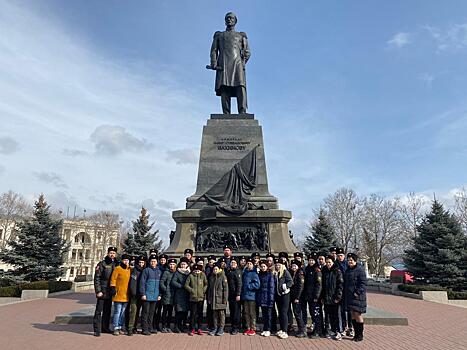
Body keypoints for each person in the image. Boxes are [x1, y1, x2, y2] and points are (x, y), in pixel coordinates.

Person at [209, 12, 250, 114]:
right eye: (227, 18)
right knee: (225, 87)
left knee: (240, 86)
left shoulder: (241, 35)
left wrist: (244, 59)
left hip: (237, 64)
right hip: (223, 64)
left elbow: (247, 51)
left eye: (231, 18)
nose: (229, 19)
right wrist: (213, 62)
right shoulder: (219, 35)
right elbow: (214, 50)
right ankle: (226, 113)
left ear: (235, 21)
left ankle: (242, 111)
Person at [93, 246, 117, 336]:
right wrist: (98, 291)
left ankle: (105, 328)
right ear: (108, 253)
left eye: (114, 253)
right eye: (111, 253)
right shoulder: (102, 264)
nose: (112, 255)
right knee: (99, 311)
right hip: (102, 291)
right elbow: (97, 278)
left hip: (110, 292)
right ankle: (96, 329)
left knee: (107, 311)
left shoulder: (116, 264)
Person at [344, 253, 367, 342]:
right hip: (349, 296)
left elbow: (363, 283)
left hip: (357, 296)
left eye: (351, 260)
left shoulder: (360, 270)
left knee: (357, 314)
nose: (350, 262)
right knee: (352, 315)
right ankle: (356, 334)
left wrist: (357, 292)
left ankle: (360, 334)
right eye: (348, 260)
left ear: (355, 261)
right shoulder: (348, 270)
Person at [321, 255, 344, 341]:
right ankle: (327, 330)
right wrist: (322, 297)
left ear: (333, 262)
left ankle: (338, 331)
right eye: (327, 262)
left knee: (336, 316)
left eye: (329, 262)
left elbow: (340, 285)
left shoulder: (337, 271)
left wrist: (338, 296)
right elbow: (323, 285)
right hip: (326, 297)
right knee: (327, 315)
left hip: (335, 298)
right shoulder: (325, 271)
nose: (328, 264)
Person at [139, 255, 162, 336]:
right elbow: (142, 283)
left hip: (155, 296)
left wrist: (159, 294)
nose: (153, 263)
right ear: (149, 262)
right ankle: (144, 329)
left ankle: (150, 327)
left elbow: (160, 285)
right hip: (147, 295)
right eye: (152, 261)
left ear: (157, 262)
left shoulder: (159, 271)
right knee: (145, 312)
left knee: (152, 313)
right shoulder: (146, 270)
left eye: (154, 261)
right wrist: (143, 294)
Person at [302, 253, 323, 338]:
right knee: (312, 313)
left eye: (312, 260)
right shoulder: (307, 269)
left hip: (315, 297)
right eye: (309, 260)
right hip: (309, 296)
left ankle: (318, 331)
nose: (311, 262)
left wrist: (316, 296)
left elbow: (319, 284)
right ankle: (315, 330)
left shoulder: (317, 270)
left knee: (316, 314)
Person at [110, 253, 131, 336]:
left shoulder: (129, 269)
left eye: (127, 260)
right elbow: (113, 279)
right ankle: (116, 327)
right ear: (122, 260)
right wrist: (113, 288)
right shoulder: (117, 269)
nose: (126, 262)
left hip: (126, 294)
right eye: (124, 260)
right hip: (118, 294)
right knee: (117, 311)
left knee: (123, 312)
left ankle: (120, 326)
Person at [185, 264, 208, 336]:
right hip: (193, 298)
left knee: (200, 314)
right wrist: (192, 290)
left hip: (201, 298)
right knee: (193, 314)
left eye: (198, 271)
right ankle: (192, 328)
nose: (197, 272)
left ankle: (199, 328)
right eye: (195, 271)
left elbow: (206, 284)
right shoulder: (190, 276)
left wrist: (203, 290)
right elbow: (186, 285)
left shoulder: (203, 275)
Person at [207, 263, 228, 336]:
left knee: (221, 314)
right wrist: (209, 298)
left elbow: (225, 290)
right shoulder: (211, 277)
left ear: (220, 269)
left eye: (216, 269)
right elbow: (209, 289)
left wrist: (225, 299)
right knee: (215, 314)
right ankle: (215, 328)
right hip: (213, 299)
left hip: (220, 299)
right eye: (214, 269)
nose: (215, 270)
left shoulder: (223, 277)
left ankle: (221, 328)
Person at [273, 258, 293, 339]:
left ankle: (285, 330)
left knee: (284, 312)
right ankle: (281, 328)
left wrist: (285, 286)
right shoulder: (274, 273)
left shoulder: (285, 272)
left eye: (279, 265)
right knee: (280, 312)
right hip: (278, 295)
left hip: (285, 295)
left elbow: (290, 281)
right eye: (276, 265)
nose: (277, 266)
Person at [127, 255, 146, 336]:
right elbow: (132, 283)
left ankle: (136, 326)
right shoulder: (135, 270)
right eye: (140, 262)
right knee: (133, 312)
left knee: (140, 312)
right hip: (135, 295)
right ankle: (130, 328)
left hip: (142, 295)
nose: (141, 264)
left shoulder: (145, 270)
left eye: (142, 262)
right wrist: (133, 293)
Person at [241, 258, 260, 336]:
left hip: (252, 296)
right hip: (245, 296)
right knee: (246, 313)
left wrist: (249, 286)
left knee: (252, 313)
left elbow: (257, 284)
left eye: (250, 264)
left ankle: (253, 328)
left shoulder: (254, 273)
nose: (249, 265)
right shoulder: (245, 272)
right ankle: (248, 327)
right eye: (248, 263)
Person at [171, 258, 191, 333]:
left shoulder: (189, 272)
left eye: (184, 264)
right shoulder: (177, 272)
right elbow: (173, 282)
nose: (183, 265)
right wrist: (182, 286)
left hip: (187, 294)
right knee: (179, 311)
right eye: (182, 264)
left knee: (185, 312)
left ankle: (183, 325)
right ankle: (176, 326)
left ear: (187, 265)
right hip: (179, 294)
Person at [336, 247, 352, 336]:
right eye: (338, 256)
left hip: (347, 290)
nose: (340, 257)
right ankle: (343, 327)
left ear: (344, 256)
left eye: (341, 255)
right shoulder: (335, 264)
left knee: (349, 310)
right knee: (341, 311)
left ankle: (350, 327)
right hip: (339, 290)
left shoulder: (348, 264)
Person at [160, 258, 177, 332]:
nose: (172, 266)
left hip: (173, 295)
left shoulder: (176, 272)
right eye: (170, 264)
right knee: (165, 311)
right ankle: (163, 326)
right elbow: (162, 282)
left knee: (170, 312)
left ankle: (168, 325)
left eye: (173, 264)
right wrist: (165, 290)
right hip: (167, 295)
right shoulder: (166, 272)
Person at [258, 260, 275, 337]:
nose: (263, 268)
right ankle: (265, 329)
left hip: (268, 297)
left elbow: (271, 288)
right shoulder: (260, 275)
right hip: (262, 297)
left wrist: (271, 299)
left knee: (269, 315)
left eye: (264, 266)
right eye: (261, 266)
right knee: (264, 315)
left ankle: (268, 329)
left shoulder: (270, 275)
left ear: (267, 267)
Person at [289, 260, 306, 337]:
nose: (293, 267)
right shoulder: (292, 273)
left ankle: (302, 330)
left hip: (297, 297)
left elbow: (301, 287)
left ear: (298, 266)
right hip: (293, 296)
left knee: (298, 313)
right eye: (292, 266)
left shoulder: (300, 274)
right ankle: (300, 329)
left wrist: (297, 297)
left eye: (295, 266)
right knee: (296, 313)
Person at [226, 258, 242, 335]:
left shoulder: (237, 272)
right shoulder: (229, 271)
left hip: (236, 295)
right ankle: (233, 325)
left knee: (236, 312)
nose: (232, 264)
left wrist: (238, 294)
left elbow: (239, 284)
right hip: (230, 294)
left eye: (234, 262)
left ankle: (236, 327)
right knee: (232, 311)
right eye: (231, 262)